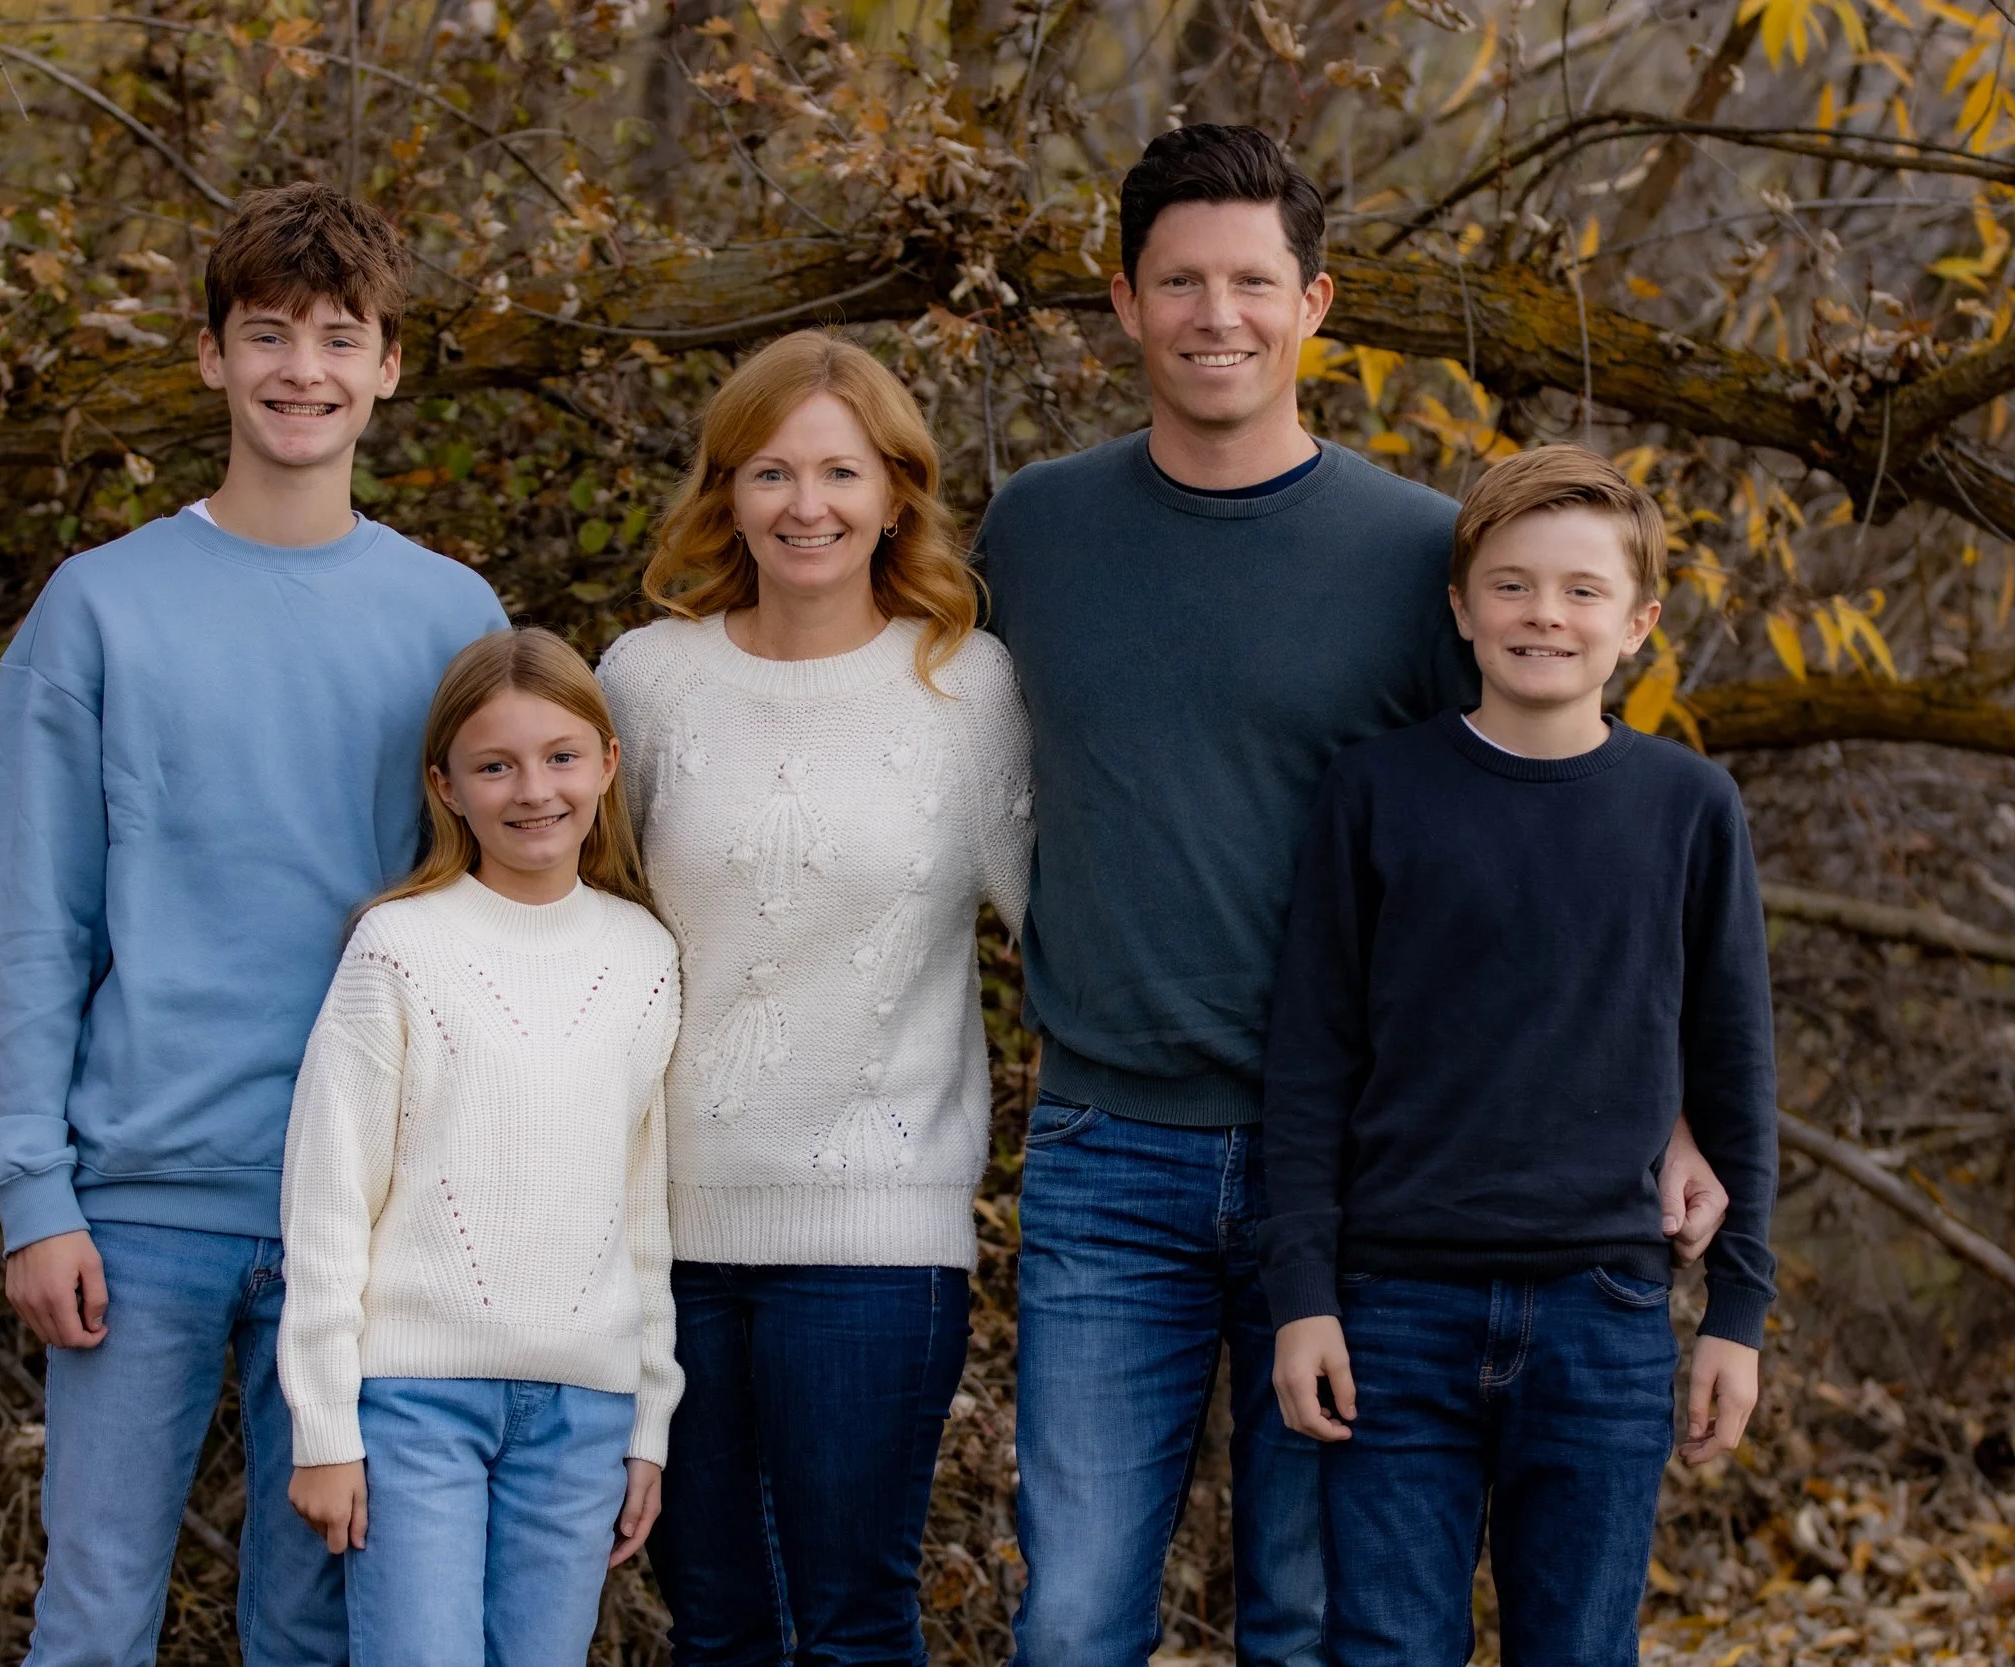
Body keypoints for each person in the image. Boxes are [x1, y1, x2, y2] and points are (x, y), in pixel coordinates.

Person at [975, 124, 1729, 1667]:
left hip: (1373, 1174)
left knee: (1314, 1618)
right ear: (1124, 302)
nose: (1216, 314)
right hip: (1109, 1144)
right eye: (1178, 280)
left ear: (1317, 301)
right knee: (1069, 1615)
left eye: (1253, 280)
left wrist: (1672, 1102)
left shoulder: (1414, 555)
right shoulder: (1035, 531)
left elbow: (1549, 842)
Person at [0, 182, 509, 1667]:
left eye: (342, 338)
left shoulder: (453, 617)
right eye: (266, 334)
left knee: (314, 1626)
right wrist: (36, 1190)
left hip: (362, 1214)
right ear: (210, 356)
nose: (302, 369)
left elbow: (487, 934)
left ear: (391, 364)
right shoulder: (99, 609)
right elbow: (34, 919)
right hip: (136, 1205)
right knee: (92, 1614)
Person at [1261, 444, 1777, 1666]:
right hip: (1393, 1308)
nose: (1544, 613)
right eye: (1510, 583)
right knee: (1386, 1645)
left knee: (1579, 1648)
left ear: (1639, 621)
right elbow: (1311, 1057)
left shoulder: (1688, 806)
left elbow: (1733, 1061)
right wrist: (1304, 1295)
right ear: (1459, 605)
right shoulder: (1375, 792)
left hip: (1601, 1308)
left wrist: (1737, 1312)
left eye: (1582, 589)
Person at [598, 329, 1032, 1665]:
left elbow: (1065, 933)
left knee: (852, 1622)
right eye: (771, 470)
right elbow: (589, 951)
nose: (807, 504)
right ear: (725, 490)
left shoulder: (968, 686)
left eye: (840, 471)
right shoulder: (646, 680)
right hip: (668, 1234)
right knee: (715, 1623)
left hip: (878, 1235)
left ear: (895, 491)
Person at [279, 628, 682, 1667]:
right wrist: (325, 1424)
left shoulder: (644, 954)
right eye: (493, 764)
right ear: (445, 786)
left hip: (583, 1413)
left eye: (557, 756)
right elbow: (328, 1197)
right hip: (415, 1401)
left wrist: (648, 1418)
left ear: (606, 762)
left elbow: (641, 1206)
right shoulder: (399, 944)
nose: (531, 789)